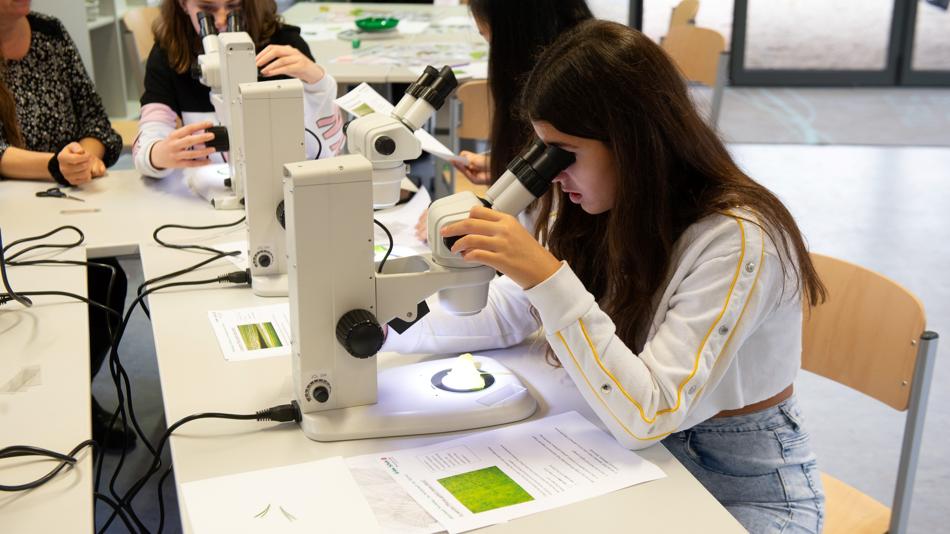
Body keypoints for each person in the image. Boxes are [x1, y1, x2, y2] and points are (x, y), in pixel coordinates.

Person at [386, 20, 826, 533]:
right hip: (629, 455)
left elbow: (650, 415)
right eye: (542, 151)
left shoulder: (738, 239)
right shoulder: (606, 204)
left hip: (739, 484)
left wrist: (546, 278)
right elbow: (509, 312)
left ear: (632, 142)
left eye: (563, 154)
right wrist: (390, 325)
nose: (552, 174)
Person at [0, 4, 131, 448]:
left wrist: (85, 156)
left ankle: (76, 397)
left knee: (107, 282)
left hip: (68, 208)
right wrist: (56, 166)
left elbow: (96, 122)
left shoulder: (50, 34)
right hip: (11, 219)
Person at [415, 0, 593, 240]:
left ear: (515, 39)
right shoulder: (583, 59)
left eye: (490, 41)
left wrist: (482, 223)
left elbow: (544, 239)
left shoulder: (574, 96)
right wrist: (506, 168)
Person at [133, 0, 344, 178]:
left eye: (234, 6)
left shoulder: (284, 46)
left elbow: (330, 150)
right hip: (206, 190)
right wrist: (157, 155)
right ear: (183, 4)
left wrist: (319, 86)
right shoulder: (168, 55)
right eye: (207, 10)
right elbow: (148, 140)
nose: (222, 20)